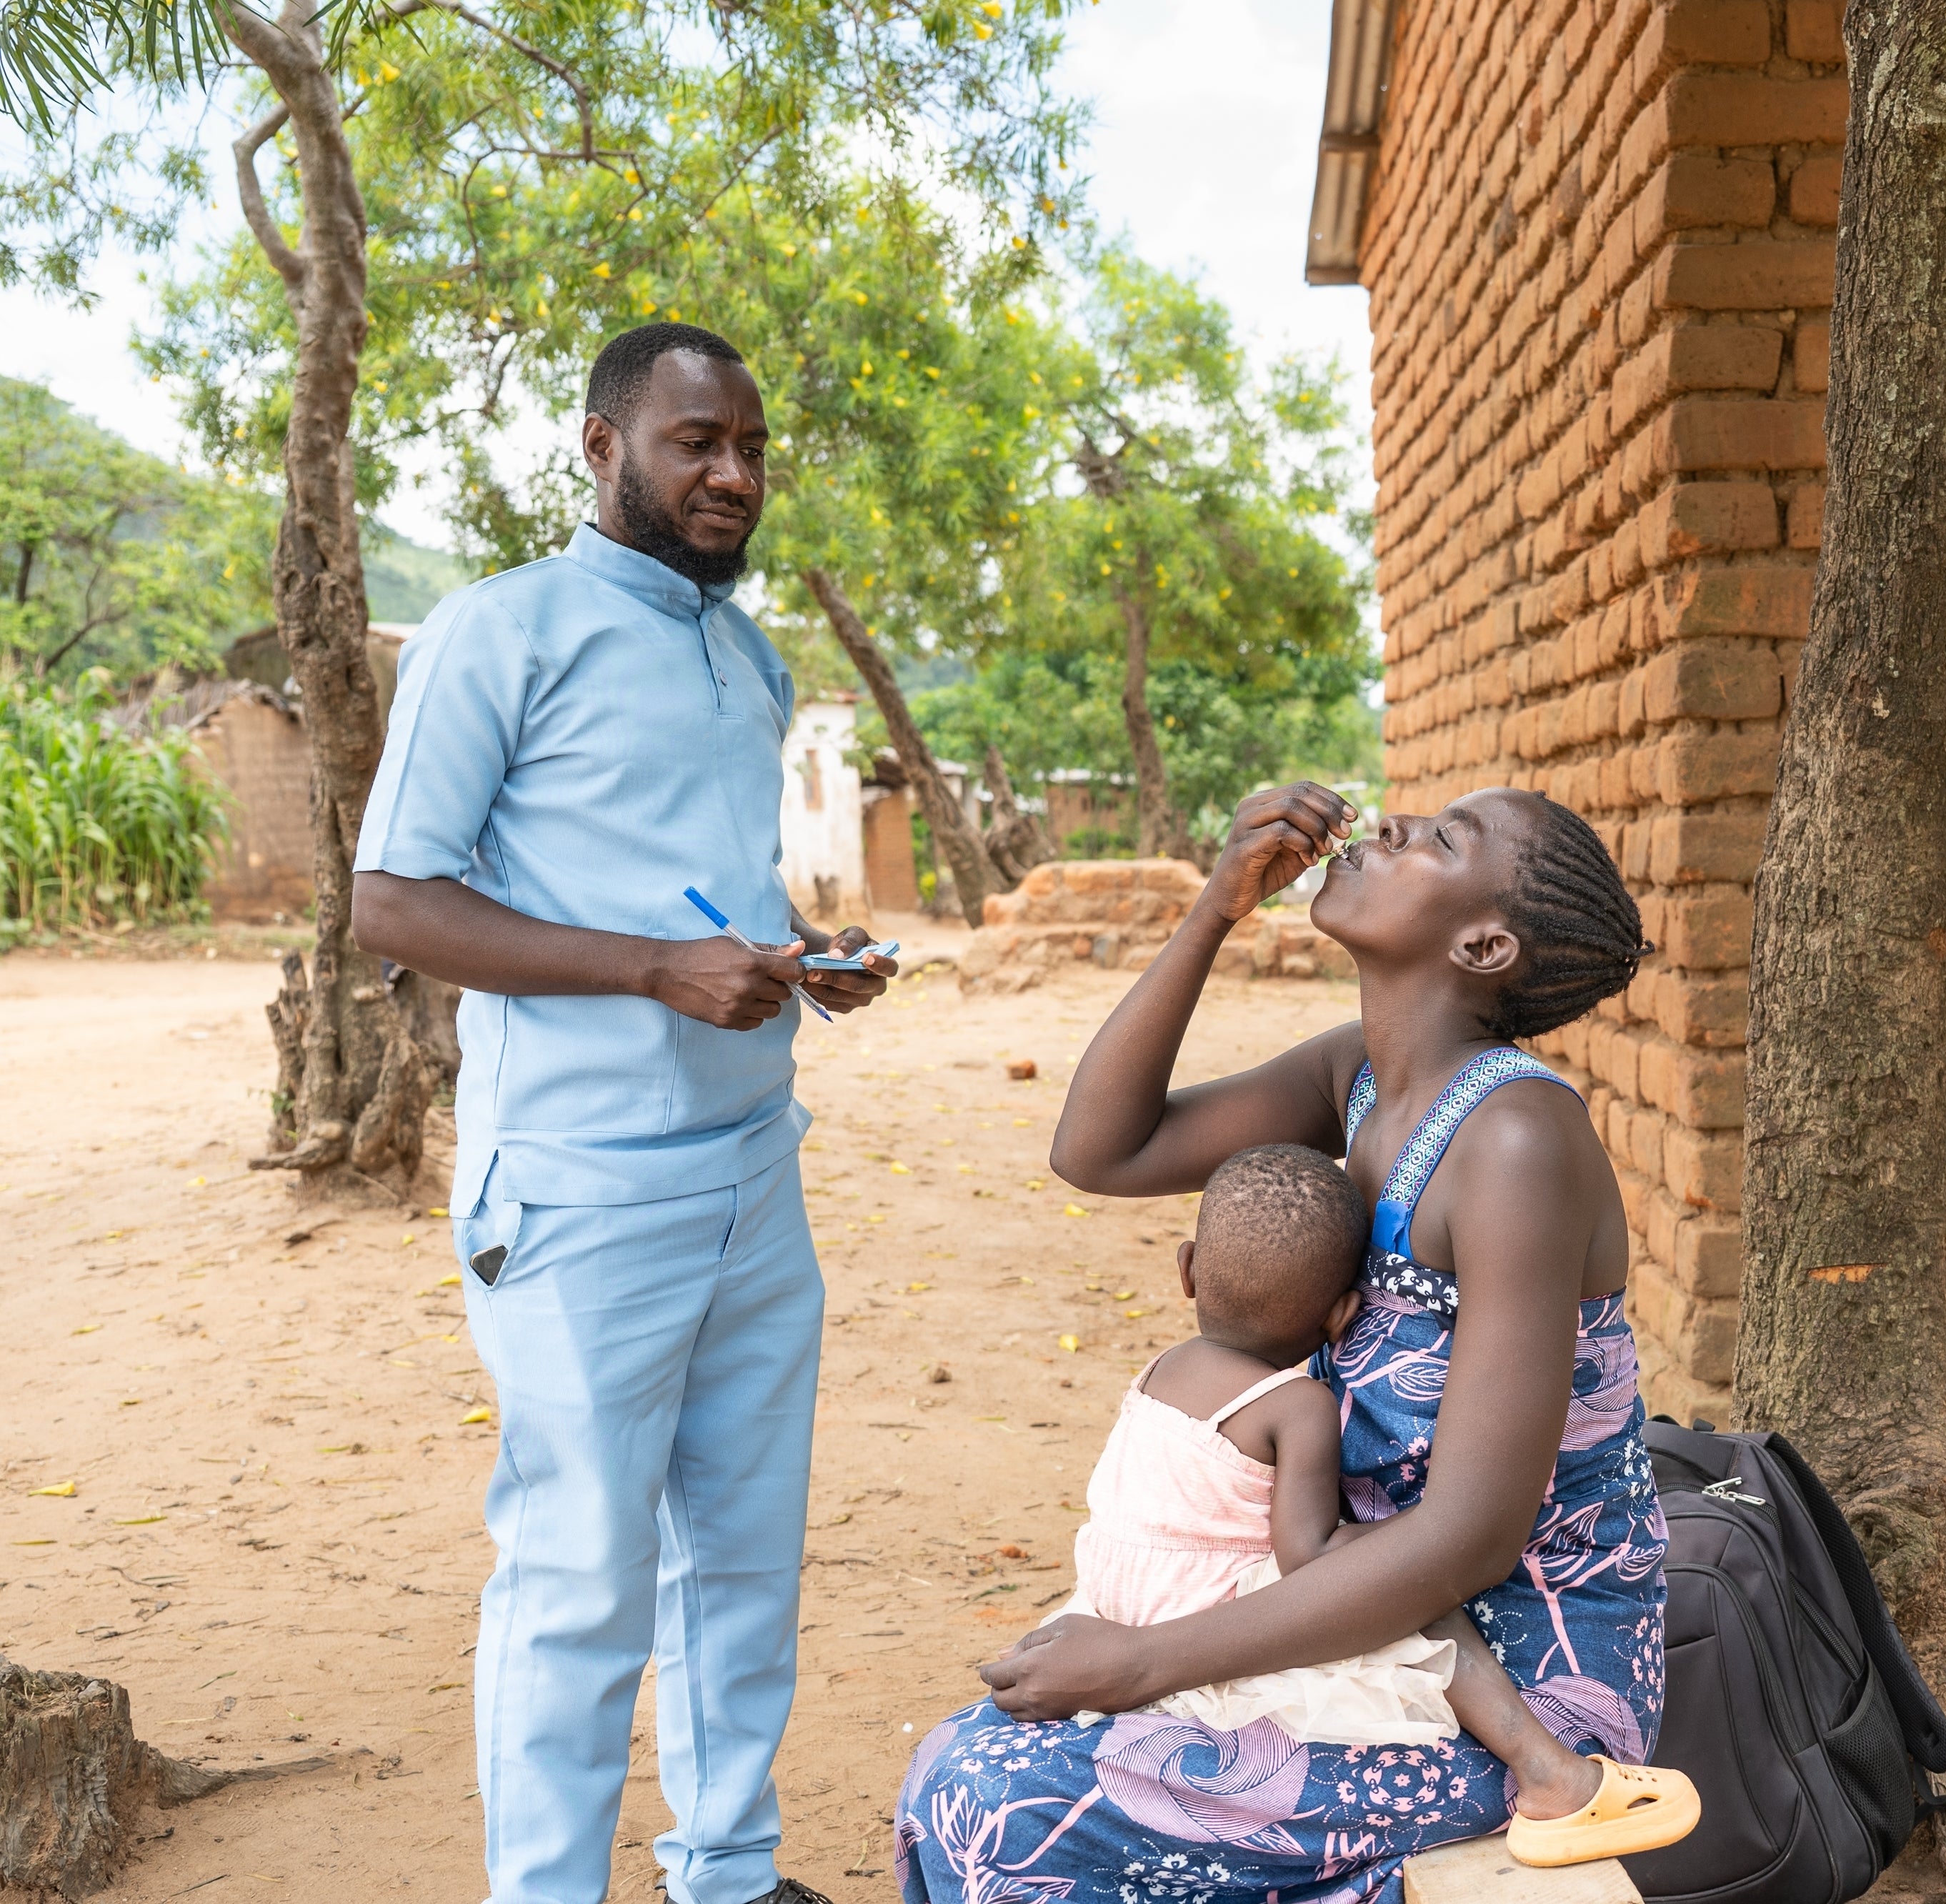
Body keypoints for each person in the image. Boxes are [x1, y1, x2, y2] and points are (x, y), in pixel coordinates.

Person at [895, 780, 1671, 1900]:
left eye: (1442, 838)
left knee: (997, 1796)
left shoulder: (1516, 1140)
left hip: (1510, 1677)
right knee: (968, 1762)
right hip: (1361, 1612)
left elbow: (1468, 1540)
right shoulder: (1361, 1076)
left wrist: (1142, 1663)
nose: (1392, 825)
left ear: (1484, 945)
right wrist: (1217, 907)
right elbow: (1100, 1150)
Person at [351, 320, 894, 1904]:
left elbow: (700, 886)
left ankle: (725, 1874)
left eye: (751, 449)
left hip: (753, 1172)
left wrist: (796, 956)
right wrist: (657, 970)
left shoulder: (749, 653)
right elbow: (393, 902)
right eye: (695, 443)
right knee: (581, 1575)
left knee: (743, 1554)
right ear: (601, 448)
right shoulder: (498, 630)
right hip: (582, 1189)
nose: (732, 474)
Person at [1049, 1141, 1699, 1867]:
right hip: (1206, 1604)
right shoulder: (1296, 1405)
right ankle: (1549, 1772)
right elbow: (1306, 1553)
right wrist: (1415, 1540)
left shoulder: (1162, 1368)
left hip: (1120, 1591)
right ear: (1341, 1316)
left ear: (1187, 1269)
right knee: (1414, 1590)